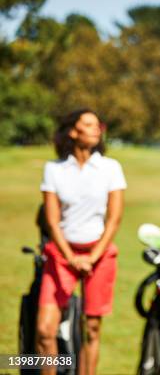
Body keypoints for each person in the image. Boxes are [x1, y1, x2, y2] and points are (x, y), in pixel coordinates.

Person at [36, 109, 126, 375]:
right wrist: (71, 257)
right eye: (88, 125)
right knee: (44, 330)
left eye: (98, 125)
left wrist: (93, 257)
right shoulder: (54, 170)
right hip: (62, 254)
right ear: (73, 132)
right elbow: (52, 222)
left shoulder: (111, 168)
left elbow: (114, 219)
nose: (96, 129)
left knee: (92, 328)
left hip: (99, 254)